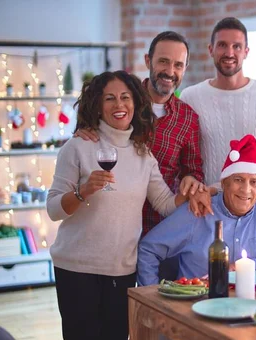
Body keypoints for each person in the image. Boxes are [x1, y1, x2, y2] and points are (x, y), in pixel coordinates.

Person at [46, 71, 191, 340]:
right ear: (97, 105)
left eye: (125, 97)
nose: (118, 104)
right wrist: (84, 191)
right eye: (109, 97)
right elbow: (54, 209)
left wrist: (193, 189)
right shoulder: (78, 147)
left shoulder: (143, 154)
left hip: (121, 270)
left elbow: (167, 205)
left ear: (136, 104)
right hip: (76, 267)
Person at [118, 134, 256, 340]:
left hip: (247, 319)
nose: (246, 190)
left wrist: (243, 266)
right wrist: (153, 296)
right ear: (223, 182)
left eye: (254, 182)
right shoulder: (198, 212)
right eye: (238, 180)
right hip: (191, 318)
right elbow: (149, 248)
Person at [75, 31, 204, 235]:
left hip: (159, 231)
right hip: (109, 228)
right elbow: (91, 120)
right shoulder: (123, 103)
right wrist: (86, 127)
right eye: (163, 61)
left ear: (185, 69)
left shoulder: (188, 118)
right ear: (147, 60)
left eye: (178, 65)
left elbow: (193, 170)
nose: (170, 71)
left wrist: (192, 180)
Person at [180, 17, 256, 186]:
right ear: (211, 50)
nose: (229, 53)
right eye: (222, 45)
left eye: (236, 46)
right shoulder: (190, 97)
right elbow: (183, 157)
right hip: (209, 203)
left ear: (246, 52)